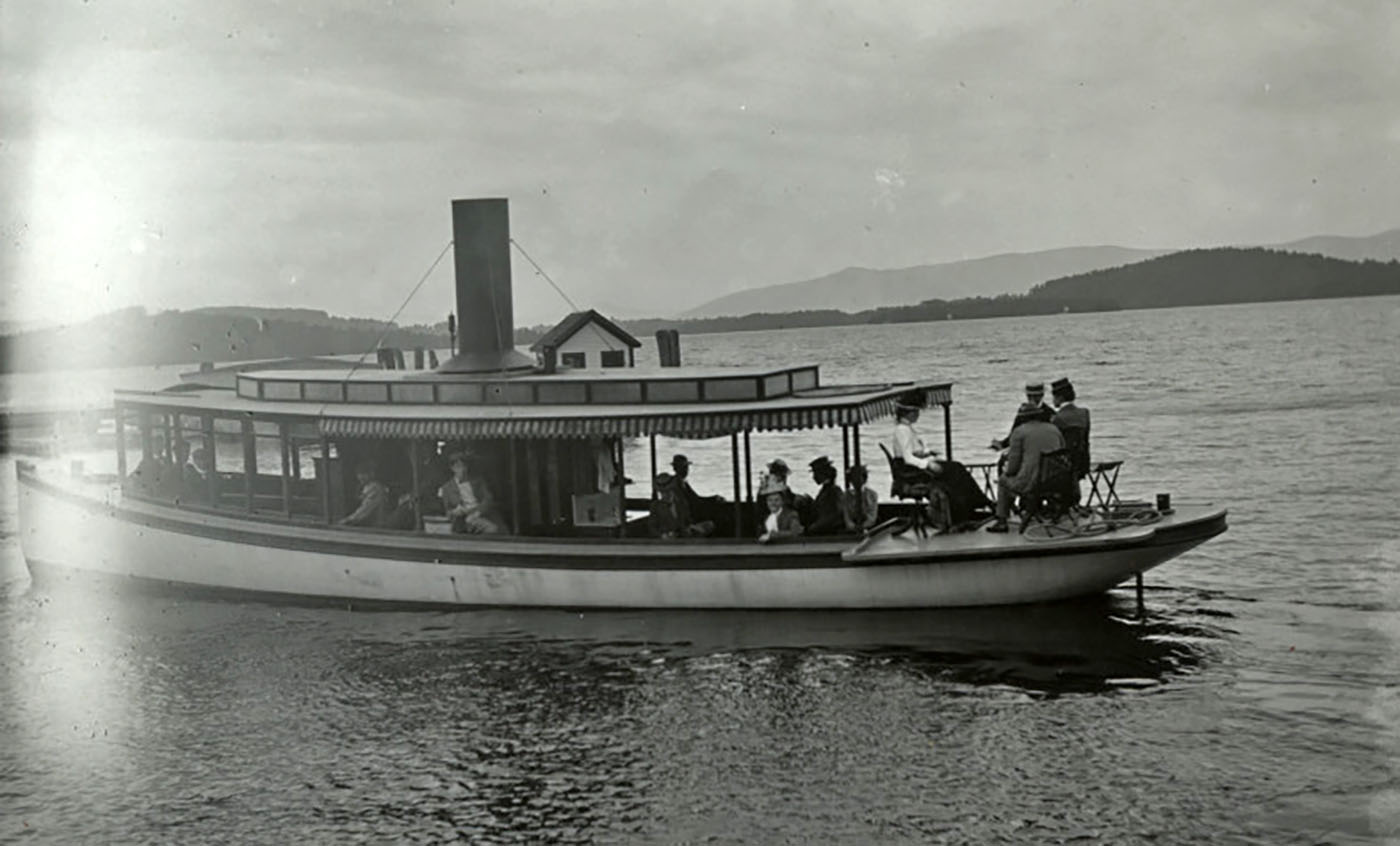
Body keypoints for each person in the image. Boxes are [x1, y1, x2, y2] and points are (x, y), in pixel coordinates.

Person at [892, 400, 992, 527]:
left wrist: (927, 453)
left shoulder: (906, 429)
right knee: (956, 469)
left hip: (914, 467)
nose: (918, 414)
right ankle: (975, 504)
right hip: (911, 471)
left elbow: (913, 452)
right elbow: (907, 458)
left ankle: (971, 504)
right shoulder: (902, 430)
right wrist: (928, 464)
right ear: (908, 413)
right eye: (915, 412)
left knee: (956, 468)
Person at [987, 404, 1066, 532]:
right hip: (1057, 482)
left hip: (1032, 484)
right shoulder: (1054, 429)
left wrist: (1008, 472)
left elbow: (1013, 467)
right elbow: (1062, 452)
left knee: (1003, 481)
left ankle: (1002, 520)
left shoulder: (1019, 432)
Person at [437, 451, 504, 534]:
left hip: (480, 515)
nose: (462, 470)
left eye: (464, 466)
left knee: (494, 530)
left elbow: (488, 498)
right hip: (461, 521)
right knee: (491, 529)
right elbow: (447, 511)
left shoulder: (477, 481)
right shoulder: (447, 488)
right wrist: (455, 512)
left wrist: (477, 513)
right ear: (452, 468)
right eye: (458, 467)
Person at [990, 382, 1055, 451]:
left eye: (1035, 396)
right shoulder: (1023, 411)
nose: (1032, 399)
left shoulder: (1049, 413)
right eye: (1029, 396)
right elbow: (1014, 432)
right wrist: (1002, 444)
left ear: (1042, 395)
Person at [650, 472, 715, 538]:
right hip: (667, 543)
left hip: (684, 538)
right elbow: (652, 528)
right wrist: (663, 535)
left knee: (709, 525)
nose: (665, 494)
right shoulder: (656, 506)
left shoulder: (681, 503)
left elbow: (688, 520)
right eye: (662, 492)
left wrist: (692, 527)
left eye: (668, 491)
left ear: (673, 489)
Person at [1050, 377, 1091, 481]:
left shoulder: (1057, 418)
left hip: (1063, 466)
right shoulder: (1084, 413)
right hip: (1082, 464)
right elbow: (1086, 441)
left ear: (1059, 397)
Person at [671, 454, 723, 523]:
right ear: (675, 468)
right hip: (689, 515)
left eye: (686, 467)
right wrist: (713, 499)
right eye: (683, 467)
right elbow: (694, 500)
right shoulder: (678, 483)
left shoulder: (679, 481)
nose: (686, 470)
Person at [804, 456, 847, 535]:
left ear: (823, 473)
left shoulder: (833, 492)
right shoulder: (826, 490)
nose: (814, 477)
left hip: (829, 532)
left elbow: (833, 516)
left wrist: (811, 529)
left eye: (815, 473)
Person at [341, 462, 392, 527]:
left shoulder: (375, 489)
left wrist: (346, 520)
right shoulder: (364, 488)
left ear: (372, 474)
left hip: (377, 528)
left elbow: (364, 511)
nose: (360, 476)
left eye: (364, 473)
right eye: (359, 473)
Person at [757, 476, 803, 544]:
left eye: (776, 500)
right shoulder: (766, 517)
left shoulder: (791, 515)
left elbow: (794, 532)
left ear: (782, 501)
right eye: (770, 500)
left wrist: (773, 535)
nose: (773, 503)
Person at [844, 463, 879, 532]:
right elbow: (846, 516)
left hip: (869, 530)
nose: (855, 480)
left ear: (864, 478)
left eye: (858, 477)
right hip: (850, 531)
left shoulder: (872, 495)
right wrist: (852, 526)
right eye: (852, 478)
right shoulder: (846, 495)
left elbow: (872, 517)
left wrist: (862, 527)